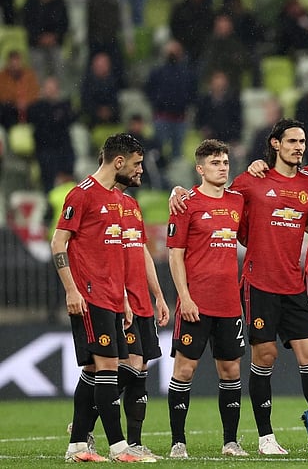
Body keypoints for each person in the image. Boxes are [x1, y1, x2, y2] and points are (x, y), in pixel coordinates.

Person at [227, 119, 308, 455]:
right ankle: (266, 437)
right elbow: (219, 204)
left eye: (303, 141)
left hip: (294, 284)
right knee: (264, 356)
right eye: (292, 141)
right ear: (275, 144)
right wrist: (179, 193)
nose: (299, 146)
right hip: (259, 283)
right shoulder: (252, 180)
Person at [52, 133, 153, 462]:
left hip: (112, 297)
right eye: (136, 163)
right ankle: (119, 447)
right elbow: (58, 244)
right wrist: (71, 289)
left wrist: (123, 297)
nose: (141, 169)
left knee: (98, 371)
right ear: (119, 162)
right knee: (108, 367)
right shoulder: (81, 195)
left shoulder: (115, 200)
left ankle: (78, 445)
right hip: (90, 296)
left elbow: (110, 254)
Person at [165, 139, 248, 459]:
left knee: (230, 371)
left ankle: (230, 442)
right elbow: (175, 255)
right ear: (199, 169)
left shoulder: (238, 201)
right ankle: (177, 442)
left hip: (230, 303)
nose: (222, 167)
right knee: (184, 370)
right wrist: (183, 297)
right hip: (195, 303)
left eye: (225, 162)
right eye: (215, 163)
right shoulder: (186, 203)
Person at [115, 155, 171, 459]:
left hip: (142, 300)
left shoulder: (132, 206)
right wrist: (121, 294)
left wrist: (159, 296)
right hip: (118, 300)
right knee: (132, 366)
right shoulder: (102, 205)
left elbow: (143, 253)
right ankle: (87, 421)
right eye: (136, 165)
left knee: (142, 367)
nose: (140, 170)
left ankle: (134, 443)